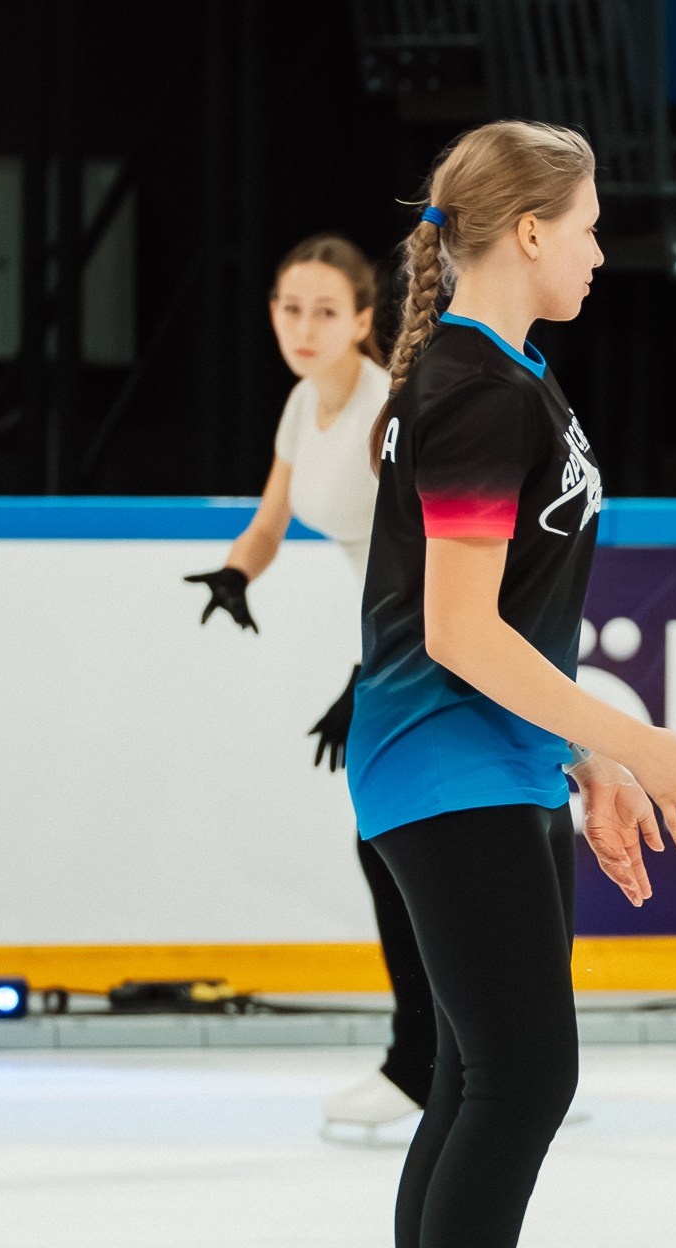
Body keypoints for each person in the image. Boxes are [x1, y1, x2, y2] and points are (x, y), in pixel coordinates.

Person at [338, 119, 676, 1248]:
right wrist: (640, 740)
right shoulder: (469, 385)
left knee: (478, 1083)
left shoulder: (504, 377)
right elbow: (458, 630)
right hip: (442, 763)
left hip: (488, 765)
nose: (598, 249)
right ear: (527, 231)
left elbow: (505, 616)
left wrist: (582, 756)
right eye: (586, 225)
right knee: (521, 1078)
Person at [181, 238, 439, 1142]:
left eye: (326, 310)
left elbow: (424, 559)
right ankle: (442, 1055)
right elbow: (270, 519)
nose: (304, 326)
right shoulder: (303, 405)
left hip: (425, 637)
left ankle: (429, 1060)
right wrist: (236, 573)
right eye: (290, 308)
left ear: (364, 320)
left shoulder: (384, 412)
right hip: (389, 644)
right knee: (392, 845)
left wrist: (364, 678)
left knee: (400, 843)